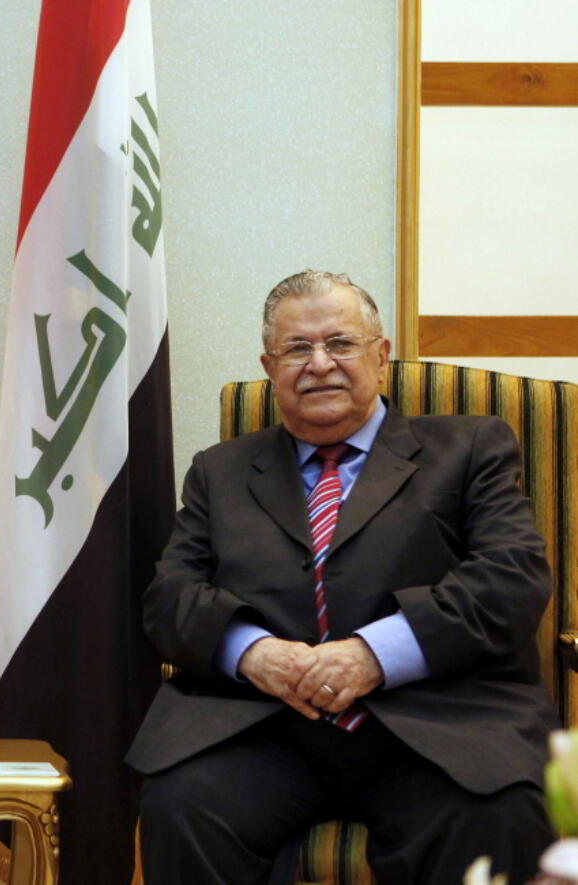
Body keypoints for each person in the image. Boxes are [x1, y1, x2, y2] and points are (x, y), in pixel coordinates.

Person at [127, 270, 557, 883]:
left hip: (437, 725)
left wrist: (372, 655)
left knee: (499, 812)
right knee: (180, 808)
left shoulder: (471, 448)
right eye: (297, 348)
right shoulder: (219, 471)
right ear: (270, 367)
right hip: (262, 728)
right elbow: (169, 598)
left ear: (380, 358)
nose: (319, 363)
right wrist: (253, 654)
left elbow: (510, 578)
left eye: (340, 343)